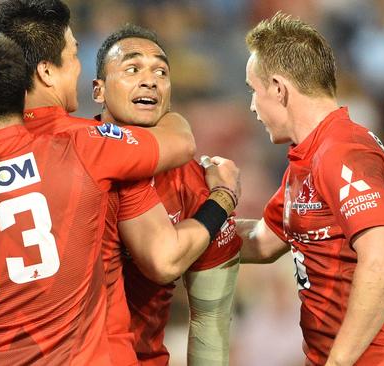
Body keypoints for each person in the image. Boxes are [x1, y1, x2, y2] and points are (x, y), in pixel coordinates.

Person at [0, 2, 239, 364]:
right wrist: (223, 196)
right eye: (74, 54)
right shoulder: (92, 147)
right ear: (46, 71)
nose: (78, 64)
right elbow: (164, 256)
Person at [238, 12, 384, 365]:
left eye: (254, 91)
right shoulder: (309, 158)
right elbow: (261, 241)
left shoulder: (342, 150)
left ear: (279, 88)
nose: (253, 106)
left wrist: (337, 362)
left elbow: (382, 263)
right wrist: (186, 228)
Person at [92, 24, 242, 366]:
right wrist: (224, 197)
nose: (150, 80)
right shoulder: (70, 156)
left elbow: (209, 321)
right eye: (132, 69)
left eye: (161, 72)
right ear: (98, 91)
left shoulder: (193, 182)